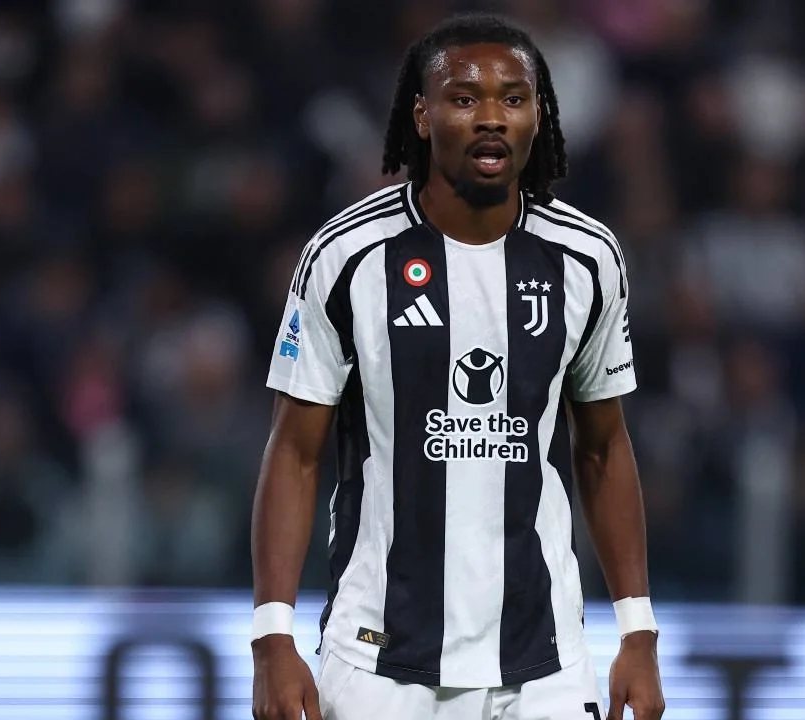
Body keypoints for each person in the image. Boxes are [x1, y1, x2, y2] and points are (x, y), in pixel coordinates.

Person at [250, 14, 665, 720]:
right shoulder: (347, 258)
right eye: (465, 98)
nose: (492, 118)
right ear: (422, 115)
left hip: (544, 660)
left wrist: (638, 632)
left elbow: (601, 449)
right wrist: (272, 639)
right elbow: (294, 452)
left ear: (539, 115)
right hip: (380, 658)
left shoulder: (588, 260)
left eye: (514, 98)